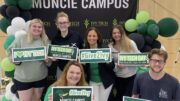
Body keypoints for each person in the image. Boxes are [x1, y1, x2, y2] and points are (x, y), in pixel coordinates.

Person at [8, 18, 51, 101]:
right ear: (30, 27)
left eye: (39, 27)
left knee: (36, 99)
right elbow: (10, 52)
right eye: (34, 26)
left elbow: (49, 63)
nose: (37, 29)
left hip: (40, 78)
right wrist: (13, 59)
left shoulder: (45, 41)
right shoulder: (21, 38)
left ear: (42, 29)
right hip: (23, 78)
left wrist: (47, 60)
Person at [108, 25, 140, 101]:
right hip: (118, 78)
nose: (116, 35)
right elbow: (111, 64)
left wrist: (127, 63)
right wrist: (117, 66)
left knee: (127, 98)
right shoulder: (110, 47)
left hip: (131, 77)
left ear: (122, 33)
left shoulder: (130, 43)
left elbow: (139, 57)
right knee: (119, 98)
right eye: (114, 33)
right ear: (112, 35)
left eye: (118, 32)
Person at [83, 27, 115, 101]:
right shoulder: (84, 50)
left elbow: (112, 66)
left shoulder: (104, 48)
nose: (92, 38)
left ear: (98, 37)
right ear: (87, 37)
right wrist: (82, 64)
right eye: (89, 36)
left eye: (94, 36)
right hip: (92, 81)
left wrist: (108, 62)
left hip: (105, 81)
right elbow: (83, 70)